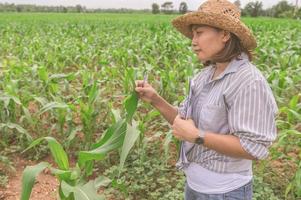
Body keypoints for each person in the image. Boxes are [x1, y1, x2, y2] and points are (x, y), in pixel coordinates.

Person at [135, 0, 278, 199]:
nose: (193, 41)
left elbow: (253, 147)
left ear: (225, 34)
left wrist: (197, 136)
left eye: (199, 33)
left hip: (225, 193)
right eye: (193, 34)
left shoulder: (247, 81)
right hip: (194, 187)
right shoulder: (205, 75)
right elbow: (185, 123)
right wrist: (155, 99)